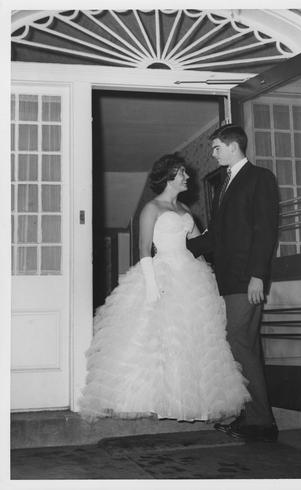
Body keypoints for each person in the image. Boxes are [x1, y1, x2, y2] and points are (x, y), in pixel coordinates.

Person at [78, 153, 250, 422]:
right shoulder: (152, 209)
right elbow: (143, 248)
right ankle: (151, 400)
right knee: (157, 338)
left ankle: (193, 403)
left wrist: (209, 277)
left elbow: (196, 248)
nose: (187, 177)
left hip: (191, 277)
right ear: (169, 176)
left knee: (191, 339)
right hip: (161, 275)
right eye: (182, 172)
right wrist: (151, 285)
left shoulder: (185, 211)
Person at [187, 124, 280, 442]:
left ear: (233, 146)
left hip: (246, 279)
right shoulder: (227, 183)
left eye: (216, 148)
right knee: (240, 347)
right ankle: (250, 416)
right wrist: (180, 249)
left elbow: (265, 230)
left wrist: (258, 275)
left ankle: (262, 423)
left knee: (241, 344)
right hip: (229, 279)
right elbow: (218, 235)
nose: (212, 154)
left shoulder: (260, 178)